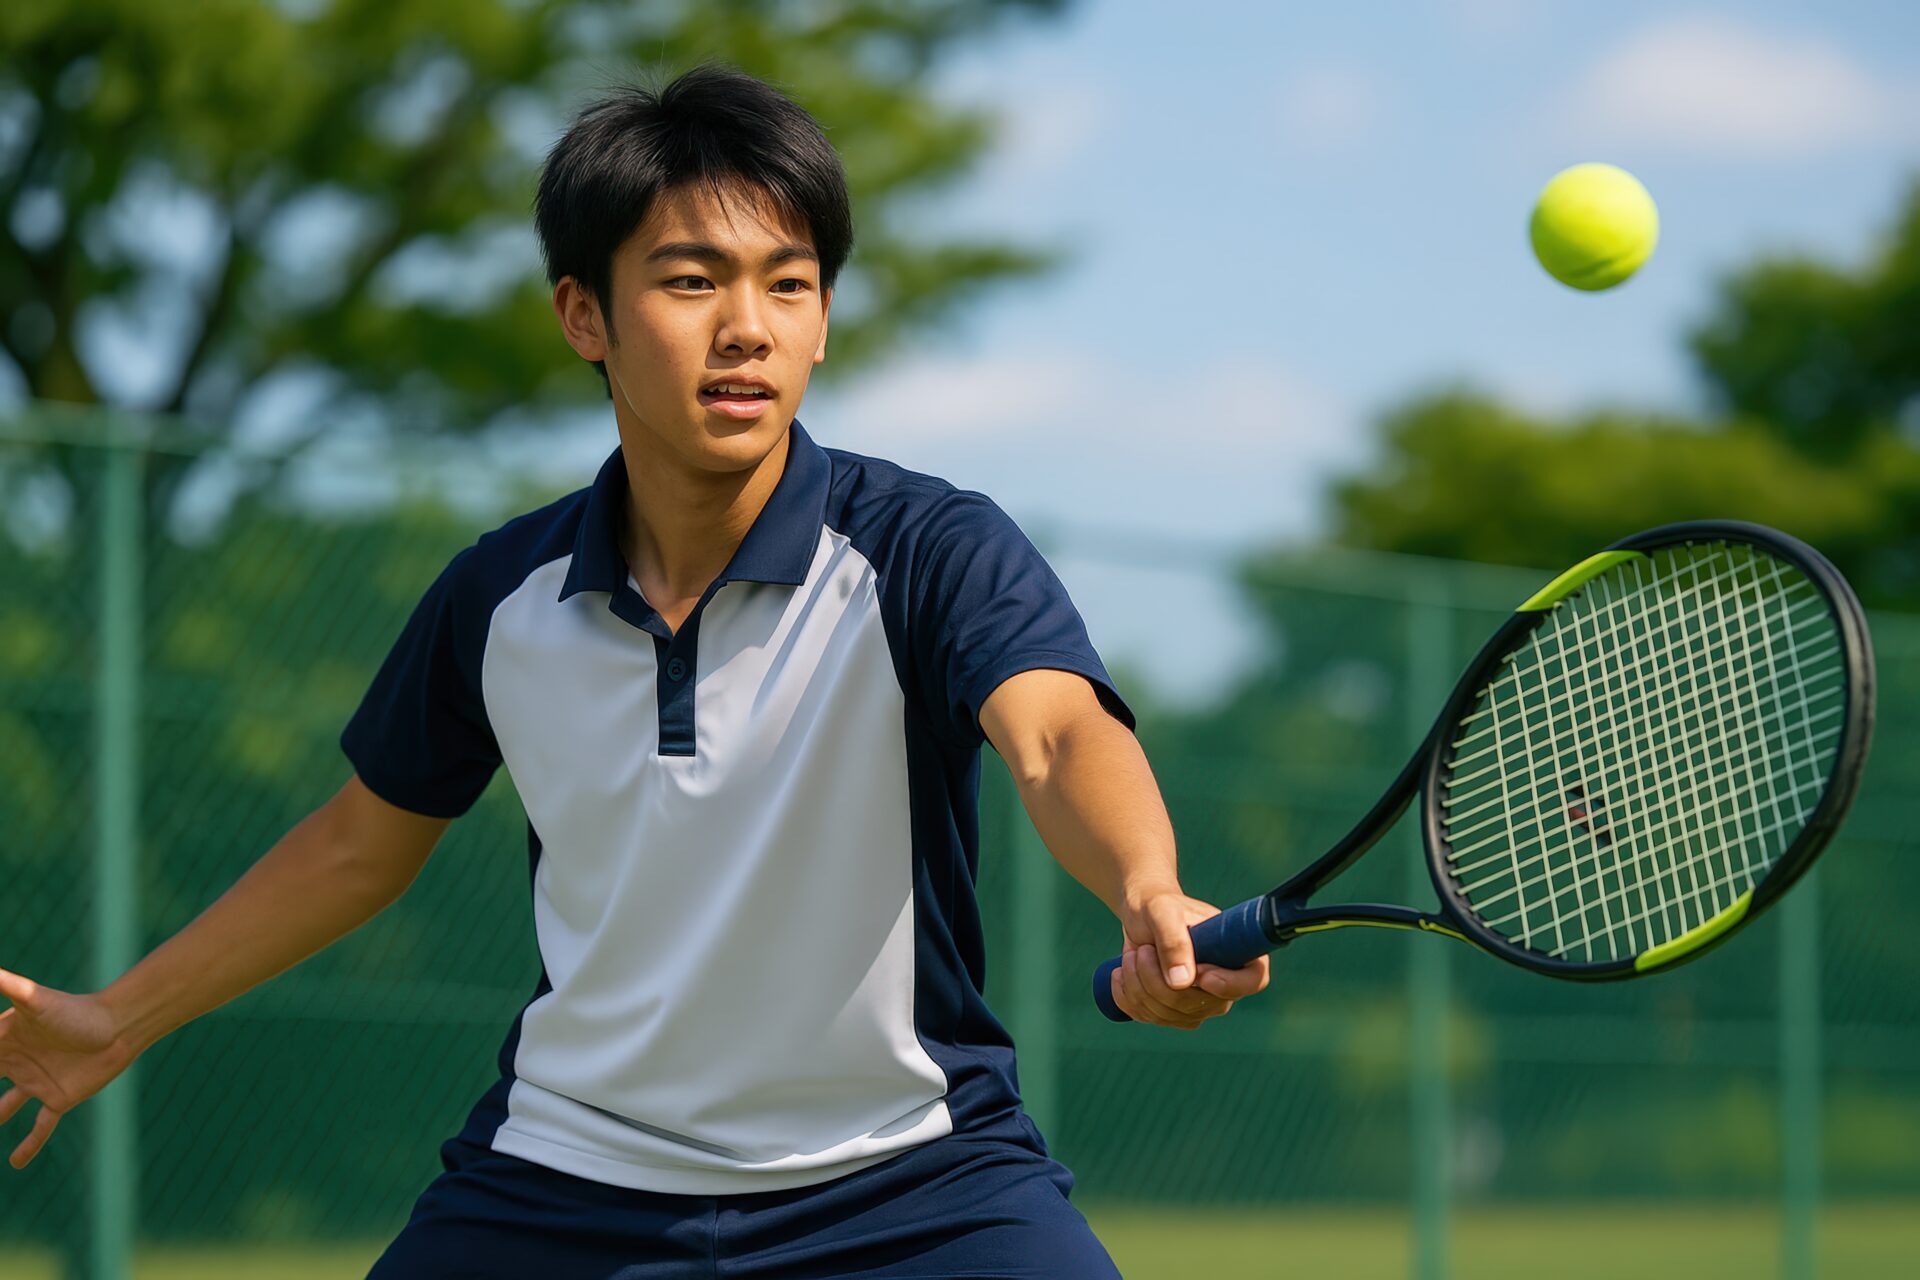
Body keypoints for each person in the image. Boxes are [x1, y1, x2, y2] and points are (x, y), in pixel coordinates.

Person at [0, 63, 1269, 1277]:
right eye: (690, 279)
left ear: (823, 318)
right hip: (562, 1182)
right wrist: (119, 1017)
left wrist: (1145, 883)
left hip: (911, 1184)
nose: (745, 328)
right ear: (583, 315)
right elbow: (355, 846)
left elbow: (1052, 733)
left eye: (789, 284)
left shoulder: (930, 546)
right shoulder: (500, 596)